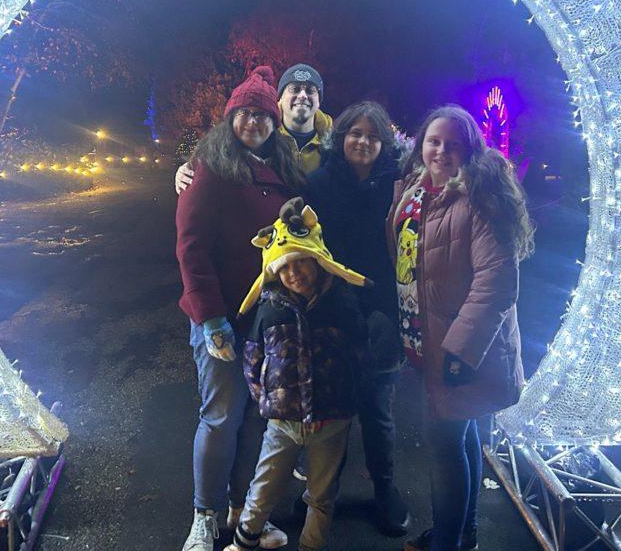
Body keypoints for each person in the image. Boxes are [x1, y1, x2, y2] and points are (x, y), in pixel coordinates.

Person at [389, 105, 534, 551]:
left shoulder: (478, 198)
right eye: (434, 141)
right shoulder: (417, 191)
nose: (442, 151)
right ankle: (463, 532)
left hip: (462, 350)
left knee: (445, 450)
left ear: (469, 151)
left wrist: (459, 353)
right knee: (465, 434)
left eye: (453, 144)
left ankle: (447, 542)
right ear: (421, 145)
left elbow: (496, 283)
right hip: (428, 338)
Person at [176, 66, 306, 551]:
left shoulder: (284, 169)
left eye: (263, 115)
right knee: (221, 416)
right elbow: (191, 249)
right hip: (223, 317)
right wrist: (211, 320)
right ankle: (204, 517)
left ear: (274, 123)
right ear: (230, 117)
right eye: (245, 113)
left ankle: (242, 511)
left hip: (268, 317)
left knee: (257, 416)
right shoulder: (208, 169)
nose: (254, 122)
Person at [225, 197, 368, 551]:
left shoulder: (342, 304)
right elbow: (253, 360)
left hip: (331, 421)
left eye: (303, 262)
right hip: (283, 422)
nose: (294, 274)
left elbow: (359, 356)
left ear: (319, 261)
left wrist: (346, 403)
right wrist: (267, 402)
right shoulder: (269, 310)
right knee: (264, 487)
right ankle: (243, 543)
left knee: (322, 493)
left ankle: (311, 545)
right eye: (284, 268)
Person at [304, 101, 411, 536]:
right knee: (331, 411)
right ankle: (320, 496)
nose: (363, 142)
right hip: (331, 311)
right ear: (341, 137)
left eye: (372, 136)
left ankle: (384, 488)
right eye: (355, 133)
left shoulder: (398, 185)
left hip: (384, 312)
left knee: (377, 411)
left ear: (384, 142)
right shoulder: (318, 183)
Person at [176, 63, 331, 192]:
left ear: (319, 100)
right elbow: (224, 155)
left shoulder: (335, 143)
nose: (303, 95)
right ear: (281, 97)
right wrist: (191, 170)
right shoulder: (259, 135)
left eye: (310, 90)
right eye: (295, 89)